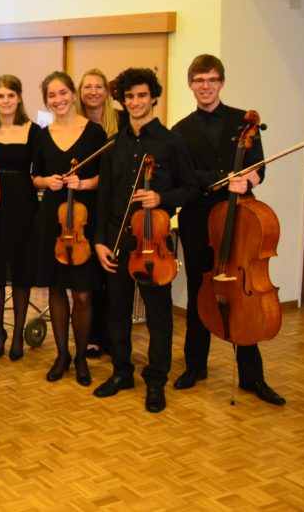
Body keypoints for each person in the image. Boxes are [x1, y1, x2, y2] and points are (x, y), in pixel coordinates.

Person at [171, 54, 284, 405]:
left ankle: (252, 377)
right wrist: (223, 182)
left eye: (212, 79)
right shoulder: (180, 130)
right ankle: (195, 366)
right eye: (199, 80)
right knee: (200, 289)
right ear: (190, 84)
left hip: (238, 218)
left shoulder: (242, 121)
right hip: (198, 219)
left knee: (239, 291)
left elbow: (258, 169)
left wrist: (247, 178)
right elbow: (184, 178)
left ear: (221, 82)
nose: (205, 86)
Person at [92, 68, 198, 413]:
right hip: (118, 242)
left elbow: (191, 188)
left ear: (153, 97)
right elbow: (104, 198)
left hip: (153, 244)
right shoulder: (114, 144)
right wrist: (99, 241)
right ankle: (122, 372)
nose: (135, 102)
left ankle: (156, 381)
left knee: (158, 316)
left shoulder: (171, 142)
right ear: (121, 100)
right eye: (129, 97)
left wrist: (162, 199)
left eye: (142, 95)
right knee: (117, 311)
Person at [28, 73, 106, 386]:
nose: (58, 100)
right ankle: (61, 355)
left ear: (73, 94)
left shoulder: (95, 132)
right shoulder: (42, 135)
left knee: (83, 295)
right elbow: (34, 176)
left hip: (83, 221)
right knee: (56, 290)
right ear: (46, 100)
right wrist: (48, 181)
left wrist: (84, 182)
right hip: (52, 220)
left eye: (63, 93)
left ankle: (82, 357)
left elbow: (107, 177)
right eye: (51, 96)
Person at [0, 75, 40, 361]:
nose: (5, 101)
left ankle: (17, 333)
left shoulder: (34, 130)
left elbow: (40, 170)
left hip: (22, 204)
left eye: (10, 96)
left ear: (19, 98)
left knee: (20, 271)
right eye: (0, 96)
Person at [76, 68, 121, 360]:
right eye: (87, 86)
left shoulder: (121, 121)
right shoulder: (75, 124)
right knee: (89, 273)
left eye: (98, 86)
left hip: (113, 203)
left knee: (111, 274)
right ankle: (92, 336)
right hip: (81, 207)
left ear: (106, 90)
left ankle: (112, 335)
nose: (93, 91)